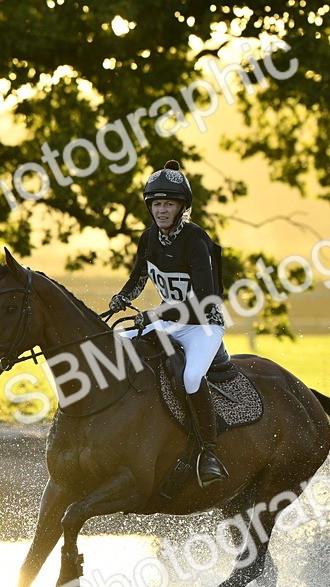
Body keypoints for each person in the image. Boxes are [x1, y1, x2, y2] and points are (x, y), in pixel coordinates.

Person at [109, 160, 229, 487]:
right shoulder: (149, 238)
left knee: (191, 375)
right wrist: (121, 298)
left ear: (181, 208)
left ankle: (209, 452)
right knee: (120, 344)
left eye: (169, 204)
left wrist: (157, 315)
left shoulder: (196, 240)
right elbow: (137, 279)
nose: (162, 210)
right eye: (157, 204)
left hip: (204, 324)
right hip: (169, 321)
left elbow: (204, 300)